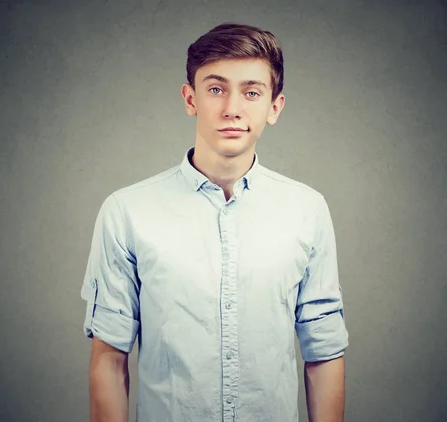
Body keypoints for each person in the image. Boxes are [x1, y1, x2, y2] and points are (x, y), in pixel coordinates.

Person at [80, 22, 349, 422]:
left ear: (274, 107)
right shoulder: (126, 211)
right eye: (216, 88)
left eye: (252, 92)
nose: (232, 109)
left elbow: (323, 351)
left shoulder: (307, 210)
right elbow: (109, 359)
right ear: (190, 98)